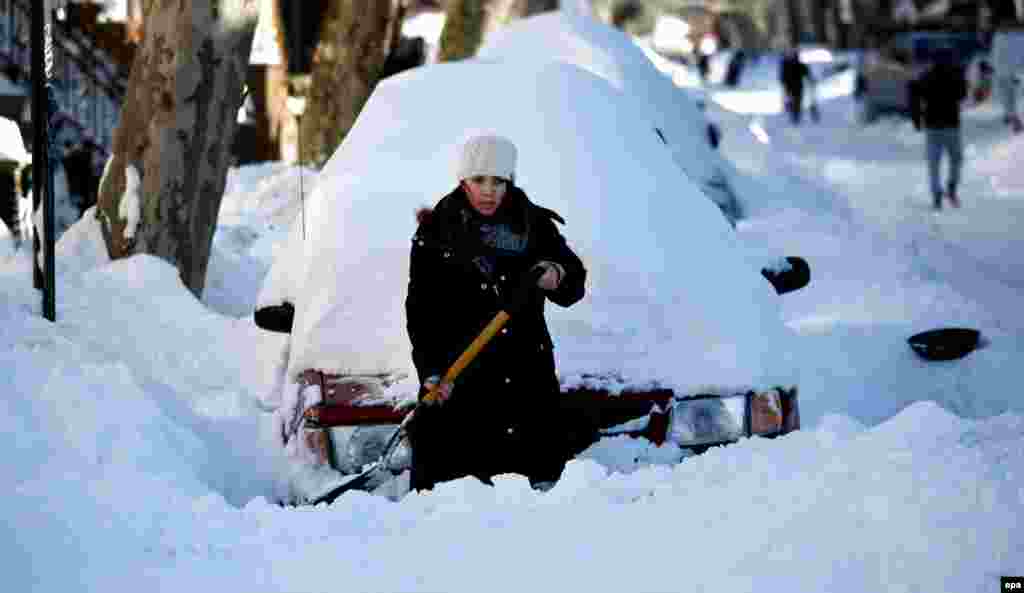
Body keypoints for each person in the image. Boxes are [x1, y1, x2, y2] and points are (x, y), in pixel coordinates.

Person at [405, 133, 587, 491]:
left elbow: (574, 282)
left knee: (538, 504)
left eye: (498, 181)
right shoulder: (436, 233)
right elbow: (421, 312)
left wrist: (557, 276)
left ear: (510, 181)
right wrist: (430, 373)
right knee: (456, 503)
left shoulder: (534, 226)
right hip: (463, 384)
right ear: (463, 181)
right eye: (479, 180)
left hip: (527, 383)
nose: (489, 190)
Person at [908, 46, 967, 210]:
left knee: (933, 163)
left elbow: (913, 94)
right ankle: (952, 186)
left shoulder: (925, 77)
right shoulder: (955, 76)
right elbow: (962, 95)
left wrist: (916, 119)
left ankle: (936, 195)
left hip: (932, 126)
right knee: (956, 159)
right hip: (951, 125)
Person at [990, 3, 1024, 132]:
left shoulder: (1002, 35)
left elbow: (995, 53)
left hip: (1008, 70)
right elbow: (995, 53)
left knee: (1011, 95)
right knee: (1009, 94)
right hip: (1008, 70)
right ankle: (1011, 115)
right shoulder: (1001, 36)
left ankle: (1013, 116)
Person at [779, 49, 813, 125]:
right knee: (796, 101)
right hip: (796, 86)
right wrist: (810, 79)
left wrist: (783, 82)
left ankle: (794, 113)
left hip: (791, 86)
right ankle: (794, 113)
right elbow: (807, 73)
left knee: (794, 100)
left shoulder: (788, 64)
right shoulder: (795, 64)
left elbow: (782, 75)